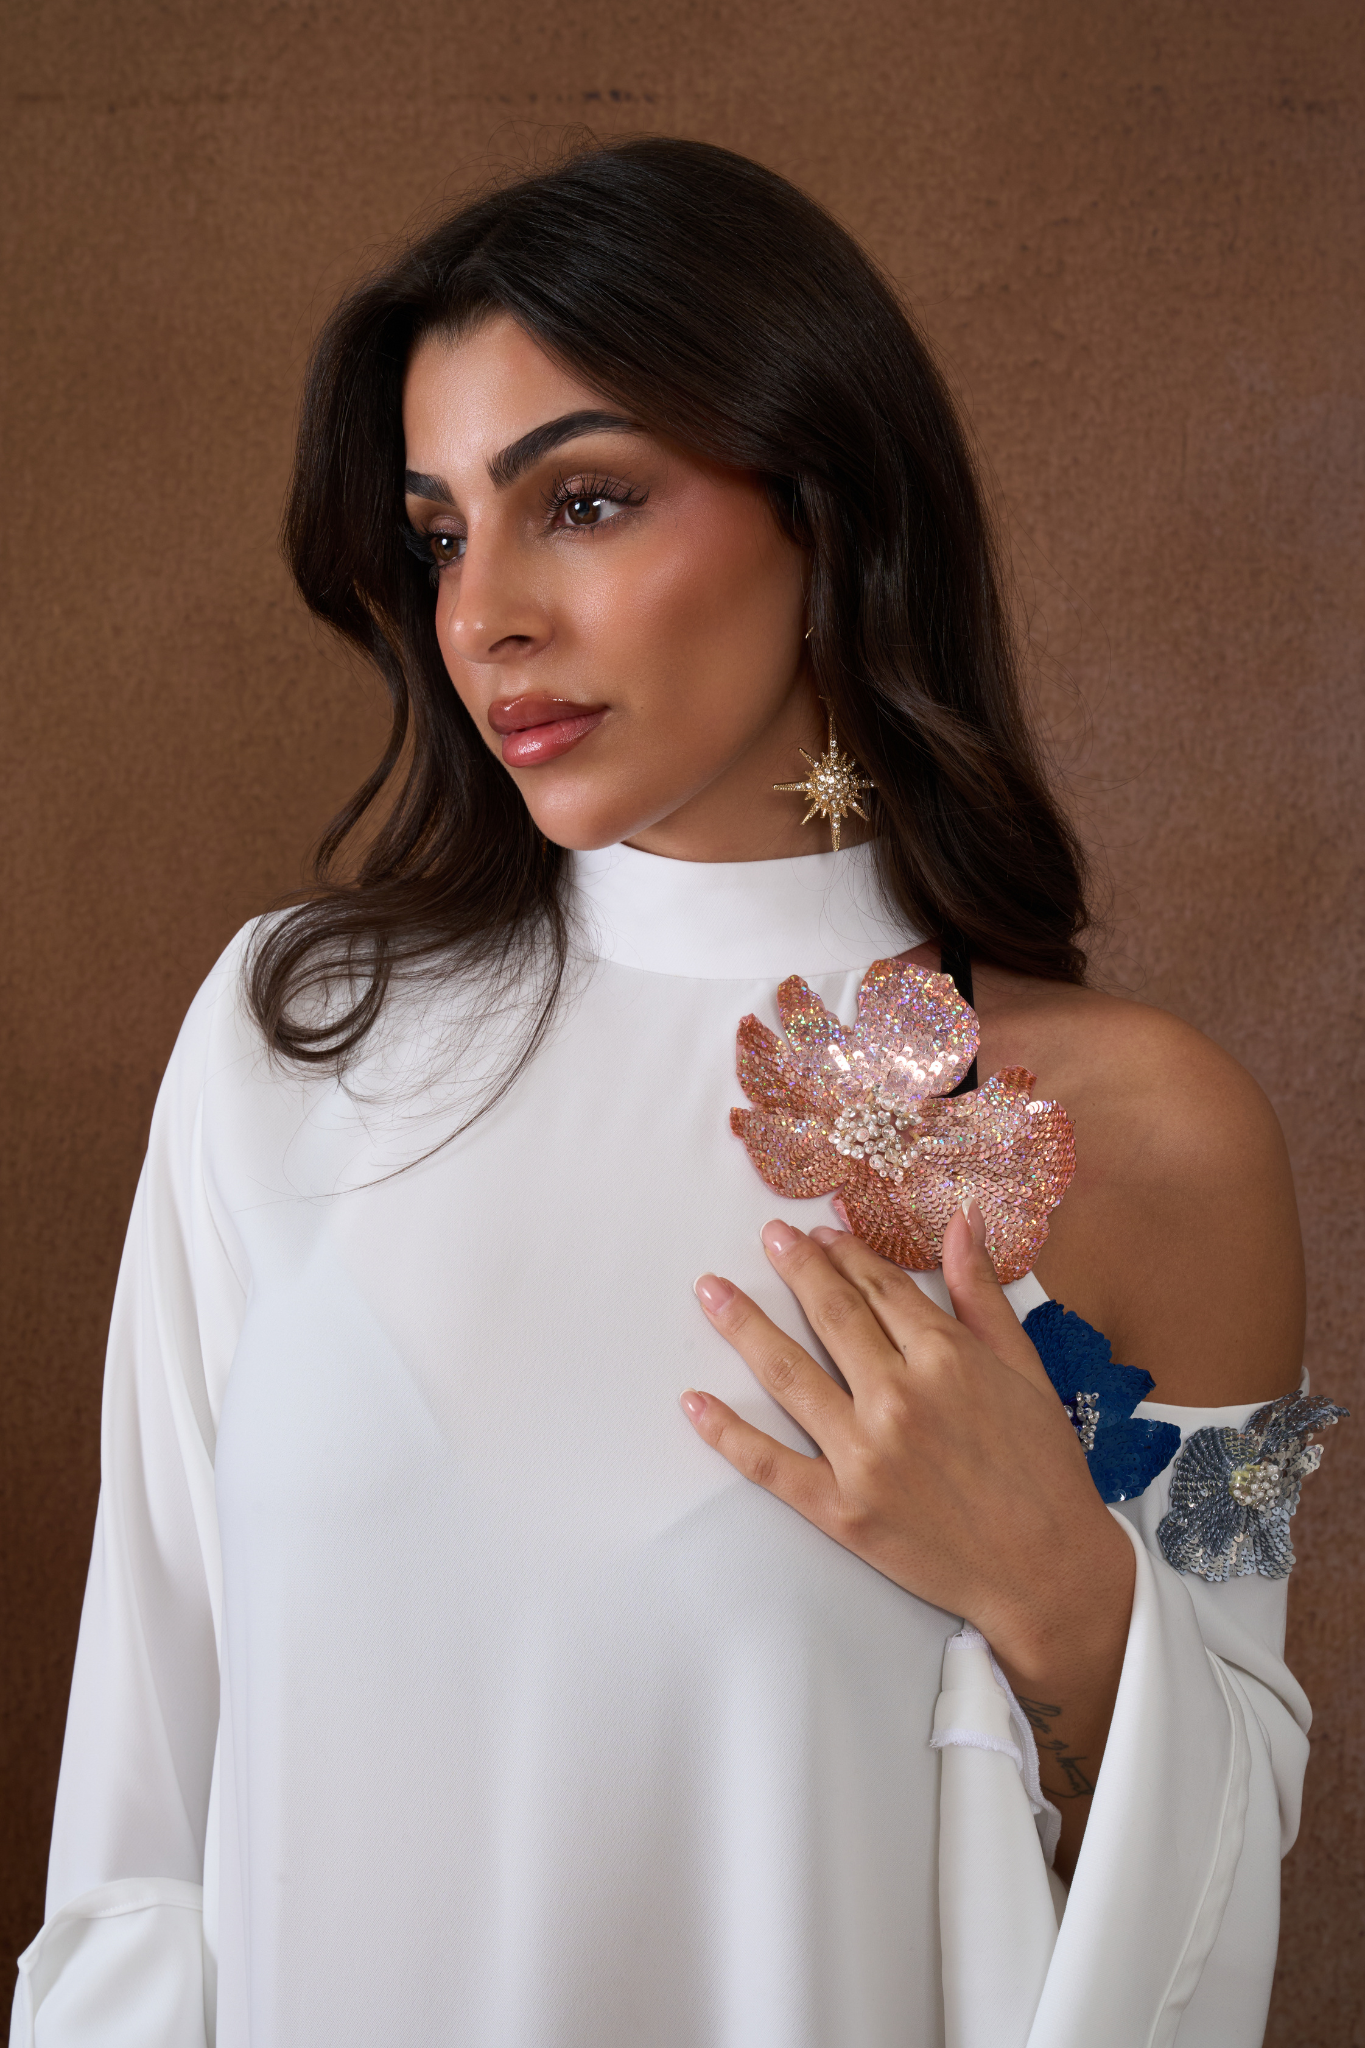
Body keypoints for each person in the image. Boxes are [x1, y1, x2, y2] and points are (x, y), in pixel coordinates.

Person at [10, 138, 1343, 2048]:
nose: (484, 615)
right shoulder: (287, 1039)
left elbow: (1242, 1804)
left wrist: (1070, 1594)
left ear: (825, 509)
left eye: (584, 501)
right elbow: (138, 1831)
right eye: (442, 533)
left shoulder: (1154, 1139)